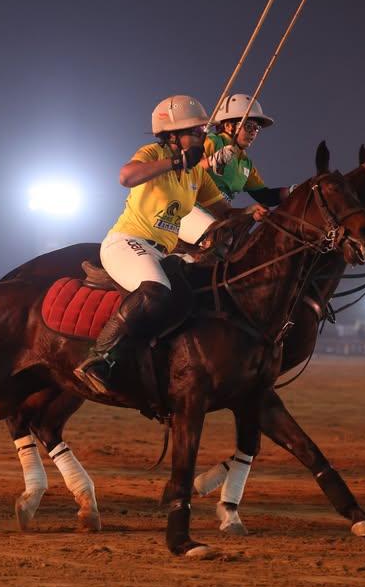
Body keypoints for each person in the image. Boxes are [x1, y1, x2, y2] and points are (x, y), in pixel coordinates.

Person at [74, 95, 265, 394]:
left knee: (191, 293)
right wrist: (175, 162)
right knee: (157, 290)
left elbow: (222, 212)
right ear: (173, 135)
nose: (203, 136)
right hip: (127, 242)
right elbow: (126, 176)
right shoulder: (152, 152)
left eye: (203, 131)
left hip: (162, 250)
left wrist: (248, 213)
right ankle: (97, 358)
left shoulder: (197, 173)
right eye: (196, 132)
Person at [178, 93, 287, 246]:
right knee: (221, 242)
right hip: (189, 210)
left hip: (220, 216)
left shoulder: (246, 163)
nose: (253, 133)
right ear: (228, 125)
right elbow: (184, 171)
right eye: (249, 126)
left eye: (256, 129)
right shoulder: (211, 141)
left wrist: (296, 190)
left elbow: (266, 196)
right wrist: (211, 161)